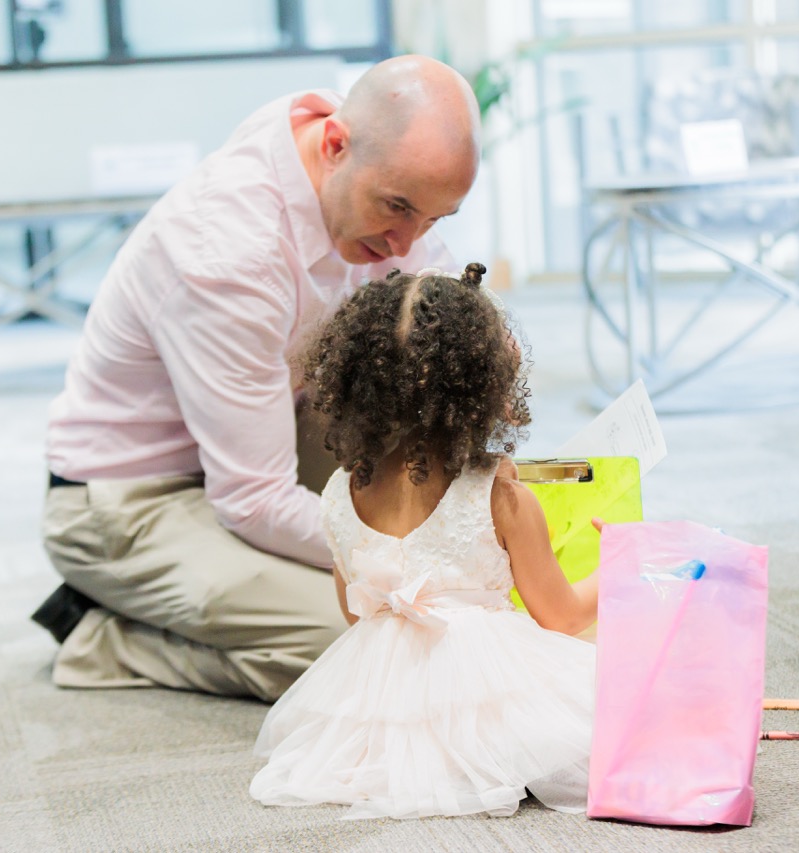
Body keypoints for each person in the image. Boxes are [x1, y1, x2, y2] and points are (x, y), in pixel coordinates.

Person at [31, 55, 483, 702]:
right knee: (375, 639)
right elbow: (253, 499)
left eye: (434, 219)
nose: (407, 242)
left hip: (265, 435)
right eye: (397, 208)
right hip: (130, 501)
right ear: (334, 146)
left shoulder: (353, 144)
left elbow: (440, 305)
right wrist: (414, 556)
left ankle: (246, 593)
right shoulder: (228, 253)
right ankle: (108, 637)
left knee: (418, 391)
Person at [249, 264, 599, 820]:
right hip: (489, 699)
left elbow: (355, 614)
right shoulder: (500, 496)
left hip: (380, 707)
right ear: (487, 382)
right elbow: (562, 617)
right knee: (618, 702)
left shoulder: (339, 492)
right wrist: (621, 565)